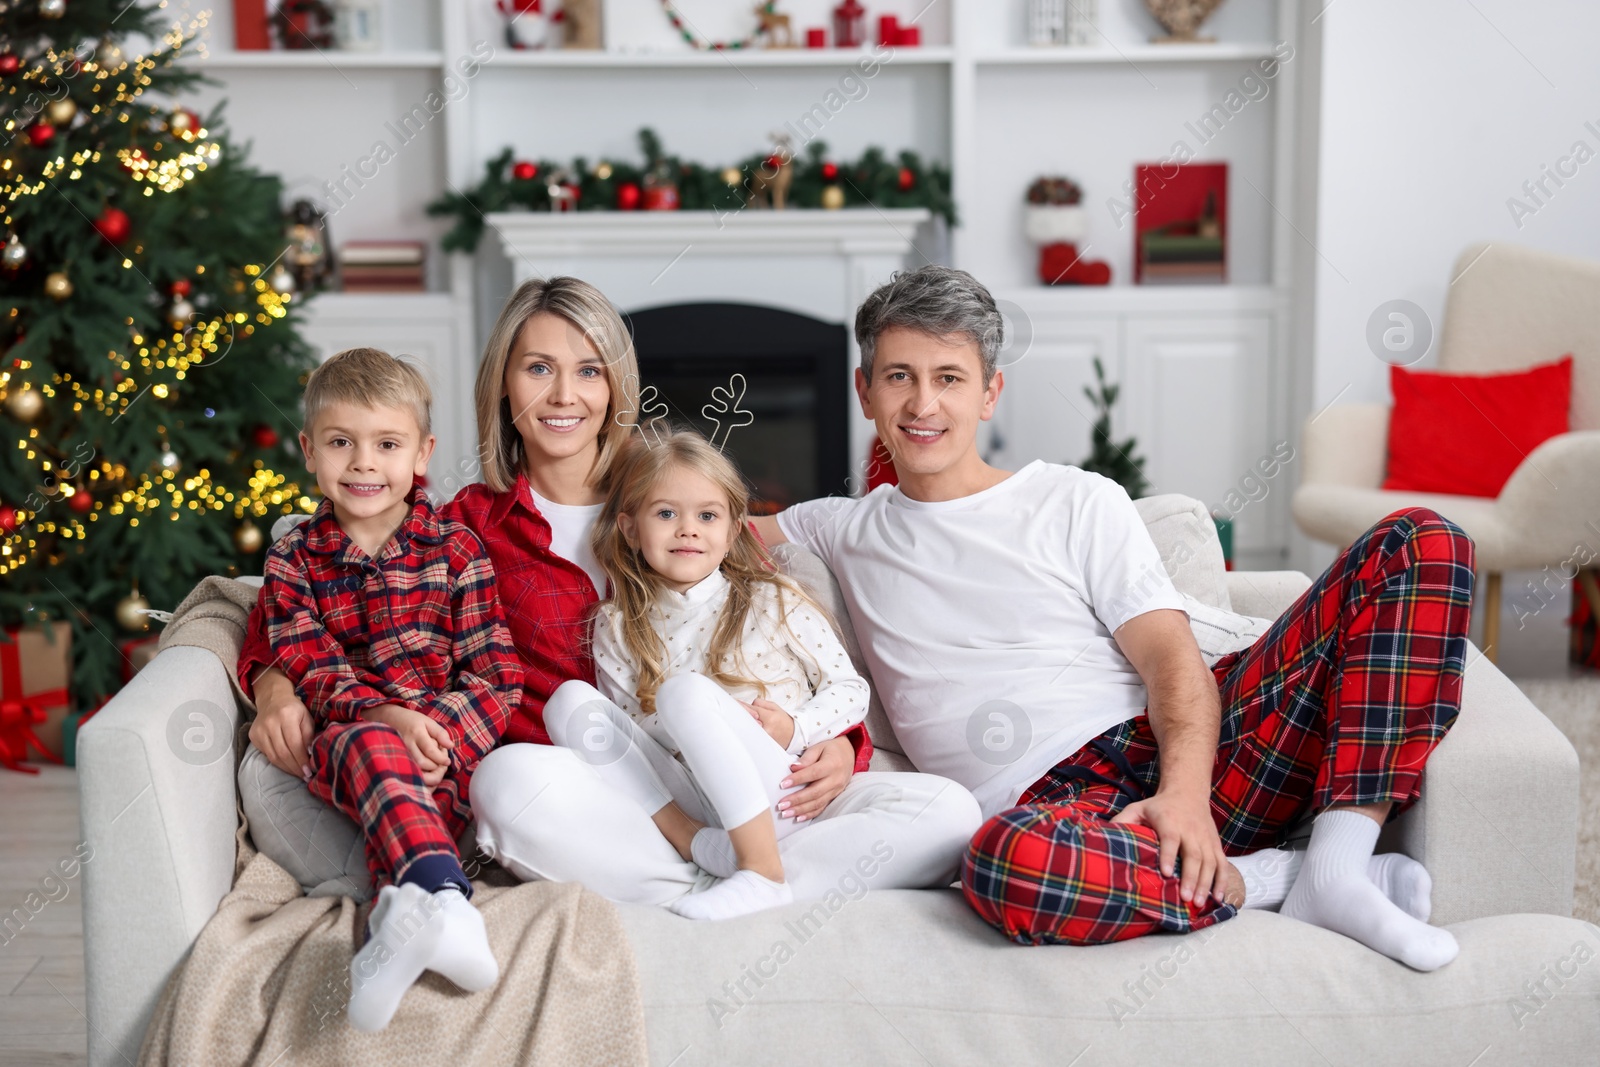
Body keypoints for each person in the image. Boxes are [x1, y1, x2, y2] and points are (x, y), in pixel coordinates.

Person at [754, 265, 1472, 972]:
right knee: (999, 864)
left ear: (989, 393)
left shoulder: (1074, 499)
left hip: (1195, 757)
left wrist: (1184, 796)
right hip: (1057, 815)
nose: (922, 402)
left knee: (1421, 541)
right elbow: (695, 523)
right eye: (898, 375)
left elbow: (1170, 660)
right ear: (864, 392)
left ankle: (1341, 863)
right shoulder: (838, 527)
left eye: (948, 377)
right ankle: (1279, 880)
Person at [239, 276, 974, 913]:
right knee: (505, 782)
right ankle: (715, 883)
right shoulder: (461, 526)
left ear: (615, 384)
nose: (565, 395)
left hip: (740, 773)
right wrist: (276, 688)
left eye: (589, 370)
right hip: (598, 795)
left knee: (948, 813)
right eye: (538, 368)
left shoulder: (678, 497)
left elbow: (773, 627)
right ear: (504, 382)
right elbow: (321, 601)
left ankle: (751, 873)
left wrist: (842, 744)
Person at [545, 429, 959, 921]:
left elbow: (849, 690)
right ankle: (721, 853)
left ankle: (756, 873)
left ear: (734, 527)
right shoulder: (614, 624)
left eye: (706, 515)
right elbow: (631, 734)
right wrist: (701, 719)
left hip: (784, 783)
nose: (687, 529)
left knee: (953, 812)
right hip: (691, 793)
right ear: (630, 527)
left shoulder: (772, 598)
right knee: (571, 702)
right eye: (665, 514)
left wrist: (796, 727)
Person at [260, 348, 522, 1030]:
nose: (364, 463)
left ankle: (399, 923)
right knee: (373, 743)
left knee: (403, 769)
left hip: (442, 755)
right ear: (309, 452)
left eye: (386, 444)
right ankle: (448, 900)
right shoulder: (293, 559)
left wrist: (437, 733)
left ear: (421, 453)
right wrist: (385, 715)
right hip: (345, 743)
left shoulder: (457, 550)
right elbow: (307, 659)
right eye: (340, 442)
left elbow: (496, 673)